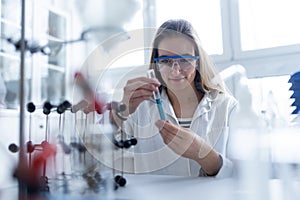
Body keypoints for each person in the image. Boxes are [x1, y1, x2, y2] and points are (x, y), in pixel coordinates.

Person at [111, 19, 237, 177]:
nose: (175, 71)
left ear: (198, 61)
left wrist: (204, 154)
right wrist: (121, 111)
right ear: (156, 64)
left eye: (184, 60)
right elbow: (103, 152)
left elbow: (242, 176)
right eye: (165, 61)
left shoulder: (227, 107)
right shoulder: (141, 107)